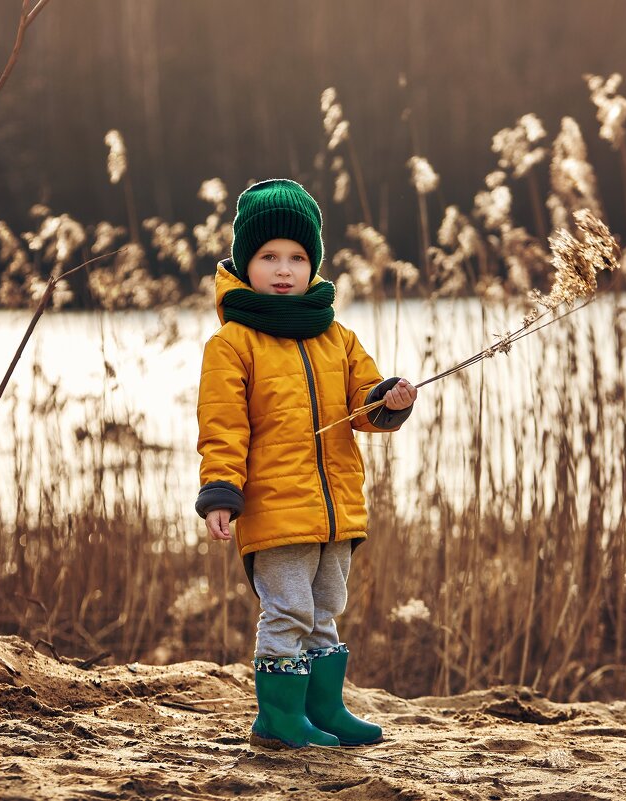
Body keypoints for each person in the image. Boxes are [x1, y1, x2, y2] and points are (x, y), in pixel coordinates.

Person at [195, 178, 417, 749]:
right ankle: (278, 717)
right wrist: (220, 490)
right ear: (246, 264)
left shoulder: (336, 337)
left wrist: (387, 399)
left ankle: (324, 709)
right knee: (288, 610)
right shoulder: (233, 343)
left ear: (313, 264)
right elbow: (222, 423)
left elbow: (362, 405)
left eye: (297, 257)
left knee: (325, 611)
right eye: (269, 256)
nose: (284, 268)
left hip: (335, 505)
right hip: (274, 507)